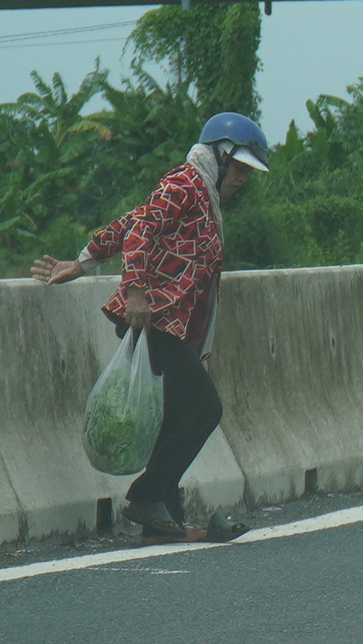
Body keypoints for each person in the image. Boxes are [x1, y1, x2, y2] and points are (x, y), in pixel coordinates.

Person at [30, 112, 271, 541]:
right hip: (156, 321)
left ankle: (163, 520)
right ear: (221, 155)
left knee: (178, 415)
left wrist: (84, 261)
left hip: (171, 326)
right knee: (204, 410)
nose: (241, 180)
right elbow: (141, 230)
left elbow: (130, 221)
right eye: (239, 170)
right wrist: (136, 292)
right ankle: (146, 497)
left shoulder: (200, 194)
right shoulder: (186, 184)